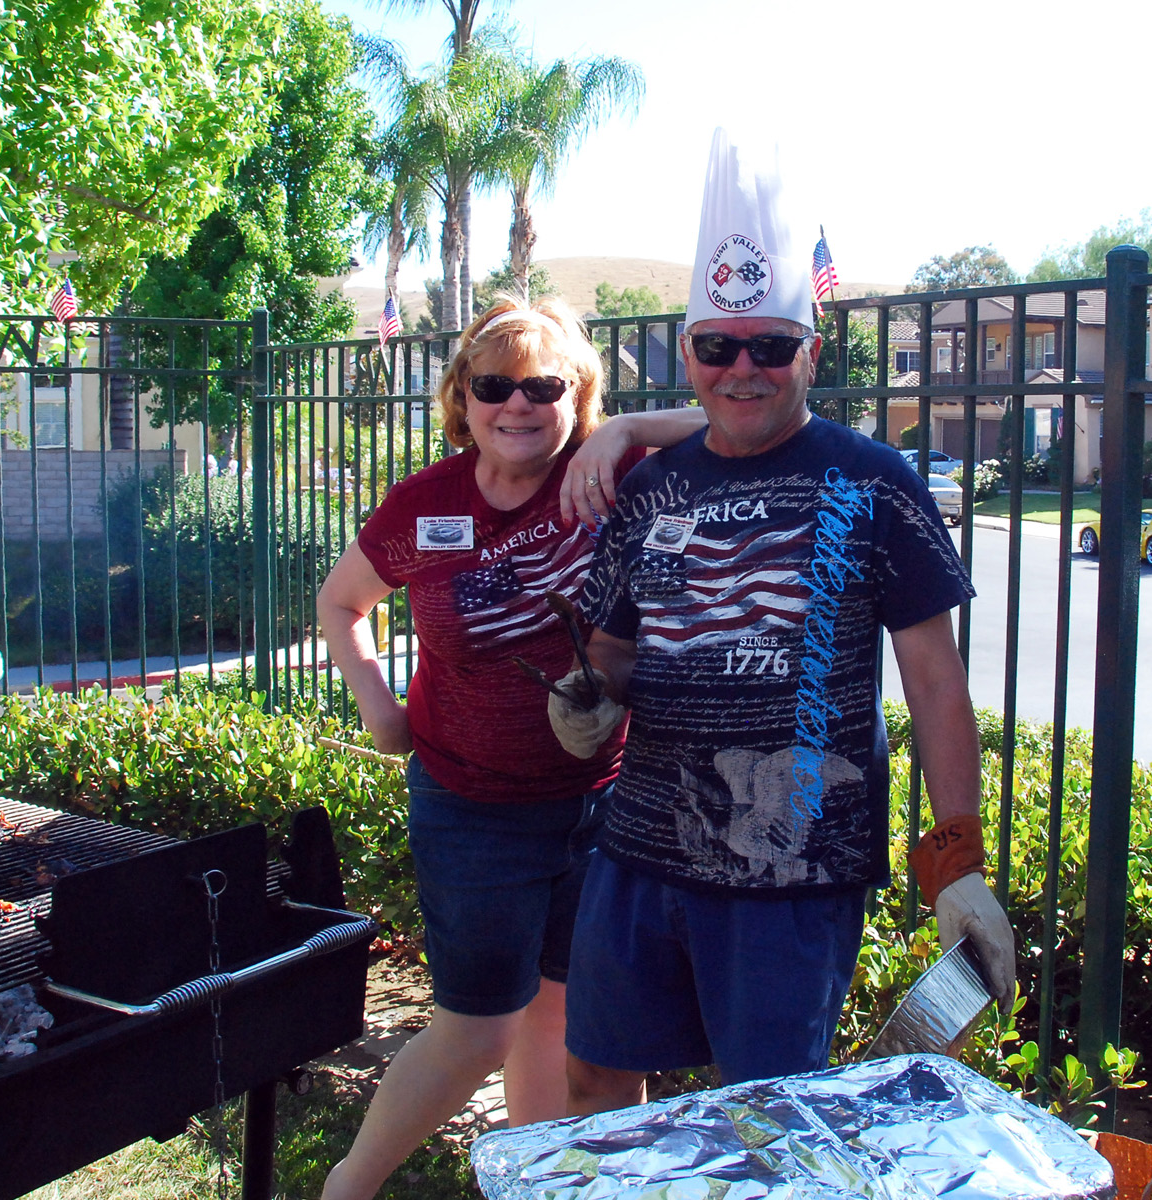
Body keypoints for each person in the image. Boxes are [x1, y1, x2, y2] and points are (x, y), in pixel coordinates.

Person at [548, 128, 1019, 1113]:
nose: (743, 369)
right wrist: (583, 700)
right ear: (690, 353)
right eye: (720, 347)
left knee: (769, 1113)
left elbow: (935, 681)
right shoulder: (652, 489)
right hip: (640, 850)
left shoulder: (874, 481)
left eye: (770, 346)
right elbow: (608, 652)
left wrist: (959, 859)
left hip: (793, 870)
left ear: (810, 352)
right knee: (595, 1077)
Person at [316, 297, 704, 1200]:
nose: (518, 405)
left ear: (578, 397)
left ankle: (542, 1186)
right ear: (462, 396)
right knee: (479, 1027)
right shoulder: (424, 506)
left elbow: (762, 427)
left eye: (544, 386)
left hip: (604, 801)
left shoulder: (616, 476)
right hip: (473, 807)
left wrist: (628, 430)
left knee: (568, 1021)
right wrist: (378, 708)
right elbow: (341, 603)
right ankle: (349, 1187)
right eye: (495, 385)